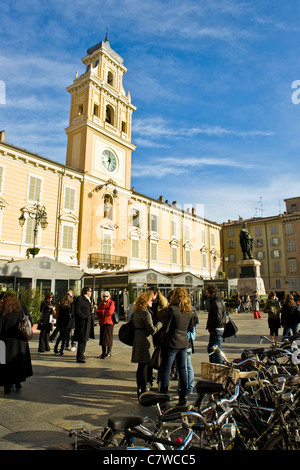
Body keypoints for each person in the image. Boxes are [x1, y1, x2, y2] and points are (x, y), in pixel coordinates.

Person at [159, 287, 193, 405]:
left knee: (166, 369)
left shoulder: (172, 309)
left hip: (172, 342)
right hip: (184, 343)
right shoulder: (189, 310)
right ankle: (183, 397)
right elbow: (191, 328)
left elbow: (166, 328)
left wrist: (163, 336)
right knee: (182, 368)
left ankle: (163, 396)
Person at [131, 291, 163, 398]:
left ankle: (139, 387)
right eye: (150, 300)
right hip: (145, 341)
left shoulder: (137, 312)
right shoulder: (145, 313)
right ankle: (143, 389)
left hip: (137, 339)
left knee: (141, 366)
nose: (152, 303)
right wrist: (160, 323)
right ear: (145, 301)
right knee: (144, 365)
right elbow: (152, 330)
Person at [0, 293, 33, 394]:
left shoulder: (3, 311)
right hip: (21, 342)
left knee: (4, 364)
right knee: (19, 363)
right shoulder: (23, 309)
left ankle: (7, 386)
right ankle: (18, 383)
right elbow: (29, 321)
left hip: (5, 343)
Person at [146, 286, 168, 389]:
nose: (148, 296)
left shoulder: (163, 304)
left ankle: (160, 380)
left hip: (160, 334)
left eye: (150, 294)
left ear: (156, 294)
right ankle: (149, 380)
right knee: (149, 357)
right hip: (150, 333)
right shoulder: (147, 304)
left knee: (160, 357)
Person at [205, 284, 227, 364]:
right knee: (211, 348)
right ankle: (213, 365)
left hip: (216, 328)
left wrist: (212, 327)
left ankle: (219, 366)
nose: (206, 294)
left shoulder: (216, 302)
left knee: (216, 349)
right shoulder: (217, 300)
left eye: (207, 293)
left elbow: (218, 317)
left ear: (212, 293)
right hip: (217, 328)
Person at [73, 287, 95, 363]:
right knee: (82, 339)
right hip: (82, 323)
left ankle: (81, 354)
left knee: (84, 339)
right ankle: (79, 356)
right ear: (86, 292)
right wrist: (85, 317)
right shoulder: (80, 299)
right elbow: (77, 311)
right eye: (90, 291)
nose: (91, 292)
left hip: (87, 322)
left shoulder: (87, 300)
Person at [96, 291, 115, 359]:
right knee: (102, 338)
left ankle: (109, 352)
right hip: (102, 322)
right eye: (104, 296)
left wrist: (102, 312)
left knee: (108, 338)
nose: (105, 297)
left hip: (109, 323)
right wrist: (104, 312)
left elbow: (110, 312)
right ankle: (103, 352)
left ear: (109, 297)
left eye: (106, 296)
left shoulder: (111, 303)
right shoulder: (101, 303)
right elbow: (97, 311)